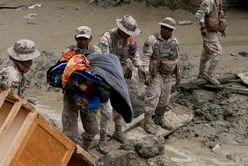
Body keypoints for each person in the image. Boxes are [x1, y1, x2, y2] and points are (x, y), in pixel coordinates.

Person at [98, 15, 147, 145]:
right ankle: (102, 139)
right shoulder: (107, 38)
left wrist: (140, 67)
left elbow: (134, 54)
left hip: (122, 76)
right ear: (121, 29)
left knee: (120, 105)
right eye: (127, 33)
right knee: (106, 110)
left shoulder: (130, 40)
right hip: (107, 78)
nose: (128, 35)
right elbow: (103, 60)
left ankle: (118, 131)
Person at [60, 26, 99, 149]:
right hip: (71, 93)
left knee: (92, 128)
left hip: (87, 94)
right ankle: (70, 153)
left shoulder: (96, 51)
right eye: (80, 39)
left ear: (91, 38)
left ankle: (85, 148)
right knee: (69, 131)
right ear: (75, 38)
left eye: (85, 39)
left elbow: (102, 70)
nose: (82, 42)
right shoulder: (69, 51)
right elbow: (61, 70)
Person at [142, 17, 181, 134]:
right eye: (165, 28)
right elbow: (146, 57)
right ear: (161, 28)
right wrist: (146, 73)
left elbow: (177, 58)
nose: (167, 31)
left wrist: (178, 74)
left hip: (168, 74)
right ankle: (147, 121)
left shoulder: (174, 41)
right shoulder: (152, 39)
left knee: (165, 98)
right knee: (153, 97)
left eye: (169, 29)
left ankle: (159, 118)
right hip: (156, 73)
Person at [195, 0, 228, 85]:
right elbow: (200, 14)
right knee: (218, 51)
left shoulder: (219, 1)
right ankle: (210, 74)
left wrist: (222, 29)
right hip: (207, 30)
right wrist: (203, 28)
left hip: (213, 30)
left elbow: (218, 17)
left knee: (206, 53)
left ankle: (201, 72)